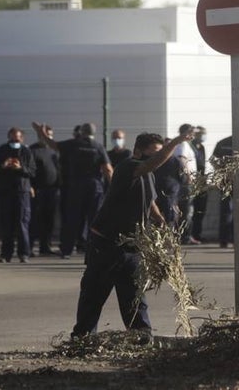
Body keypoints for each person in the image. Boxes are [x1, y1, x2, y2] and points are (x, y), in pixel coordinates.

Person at [70, 128, 193, 338]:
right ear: (138, 151)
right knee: (95, 292)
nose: (158, 157)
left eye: (159, 151)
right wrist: (176, 142)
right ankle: (83, 338)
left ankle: (141, 335)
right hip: (107, 242)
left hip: (132, 244)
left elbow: (150, 200)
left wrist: (160, 221)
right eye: (154, 152)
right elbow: (151, 163)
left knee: (134, 295)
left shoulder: (148, 175)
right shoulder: (128, 167)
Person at [46, 122, 112, 259]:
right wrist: (113, 186)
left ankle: (66, 250)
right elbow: (108, 169)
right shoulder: (98, 147)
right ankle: (93, 250)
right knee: (94, 220)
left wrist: (42, 133)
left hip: (76, 185)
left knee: (72, 218)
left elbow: (54, 145)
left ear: (81, 132)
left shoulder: (73, 144)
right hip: (94, 187)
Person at [0, 127, 36, 263]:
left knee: (22, 223)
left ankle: (24, 253)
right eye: (12, 138)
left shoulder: (26, 151)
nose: (15, 141)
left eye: (17, 138)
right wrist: (3, 166)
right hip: (5, 191)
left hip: (22, 191)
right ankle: (5, 254)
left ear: (22, 138)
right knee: (6, 224)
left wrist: (20, 168)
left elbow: (32, 172)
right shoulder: (2, 150)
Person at [28, 125, 61, 257]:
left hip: (52, 190)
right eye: (46, 135)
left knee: (49, 220)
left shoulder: (54, 151)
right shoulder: (33, 150)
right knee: (35, 220)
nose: (49, 138)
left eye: (51, 135)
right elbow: (30, 169)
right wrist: (30, 186)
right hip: (38, 190)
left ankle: (45, 247)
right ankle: (29, 247)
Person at [188, 125, 210, 244]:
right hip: (193, 181)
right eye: (201, 134)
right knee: (191, 210)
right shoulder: (190, 147)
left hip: (202, 181)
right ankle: (189, 234)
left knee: (200, 210)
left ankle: (198, 234)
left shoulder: (202, 147)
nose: (202, 137)